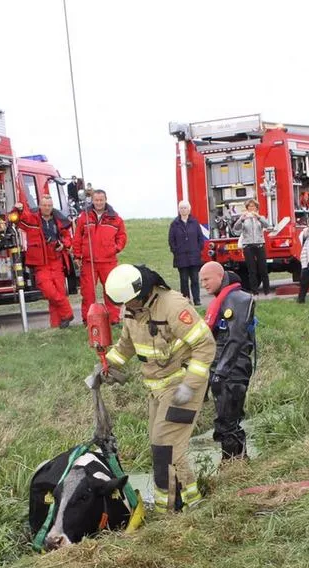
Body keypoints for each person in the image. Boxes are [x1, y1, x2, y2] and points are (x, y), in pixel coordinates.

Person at [88, 264, 216, 513]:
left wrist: (190, 386)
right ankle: (190, 499)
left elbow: (205, 345)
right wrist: (106, 366)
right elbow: (127, 345)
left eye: (129, 302)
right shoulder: (132, 309)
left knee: (164, 446)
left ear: (141, 292)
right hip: (157, 388)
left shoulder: (172, 306)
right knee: (167, 447)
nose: (126, 308)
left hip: (181, 386)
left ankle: (167, 508)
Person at [199, 261, 256, 459]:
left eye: (206, 279)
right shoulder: (222, 300)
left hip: (234, 369)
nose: (203, 284)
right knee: (224, 420)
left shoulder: (237, 299)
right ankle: (233, 462)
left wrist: (221, 372)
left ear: (220, 276)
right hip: (222, 368)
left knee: (228, 422)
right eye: (201, 281)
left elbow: (236, 339)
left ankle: (236, 464)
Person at [13, 194, 75, 329]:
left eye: (49, 205)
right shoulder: (33, 219)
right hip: (41, 263)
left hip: (56, 260)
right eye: (44, 205)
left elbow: (67, 237)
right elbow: (18, 219)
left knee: (58, 293)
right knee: (49, 291)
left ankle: (57, 326)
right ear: (40, 206)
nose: (47, 208)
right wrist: (17, 209)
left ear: (52, 207)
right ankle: (67, 312)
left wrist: (63, 245)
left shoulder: (59, 221)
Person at [74, 189, 128, 324]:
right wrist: (77, 255)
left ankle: (114, 318)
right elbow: (77, 237)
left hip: (108, 261)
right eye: (96, 200)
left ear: (105, 200)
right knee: (88, 293)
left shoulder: (115, 218)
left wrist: (115, 248)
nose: (98, 203)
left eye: (101, 200)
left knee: (111, 290)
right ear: (92, 200)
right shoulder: (84, 217)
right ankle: (88, 319)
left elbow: (122, 236)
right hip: (89, 261)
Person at [231, 199, 273, 294]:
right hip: (248, 246)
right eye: (249, 206)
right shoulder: (244, 219)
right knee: (251, 270)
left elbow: (268, 225)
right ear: (247, 208)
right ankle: (254, 291)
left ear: (256, 208)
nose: (251, 208)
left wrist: (258, 218)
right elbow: (236, 228)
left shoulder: (260, 217)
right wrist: (241, 219)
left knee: (263, 269)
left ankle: (267, 290)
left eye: (253, 206)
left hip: (259, 245)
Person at [168, 201, 205, 304]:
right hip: (181, 257)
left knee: (194, 279)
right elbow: (171, 240)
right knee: (184, 280)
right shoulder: (174, 224)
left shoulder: (194, 222)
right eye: (181, 208)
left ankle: (197, 300)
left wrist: (198, 249)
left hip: (194, 256)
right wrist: (176, 251)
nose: (183, 210)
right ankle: (186, 300)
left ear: (189, 209)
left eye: (185, 208)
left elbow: (200, 238)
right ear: (179, 210)